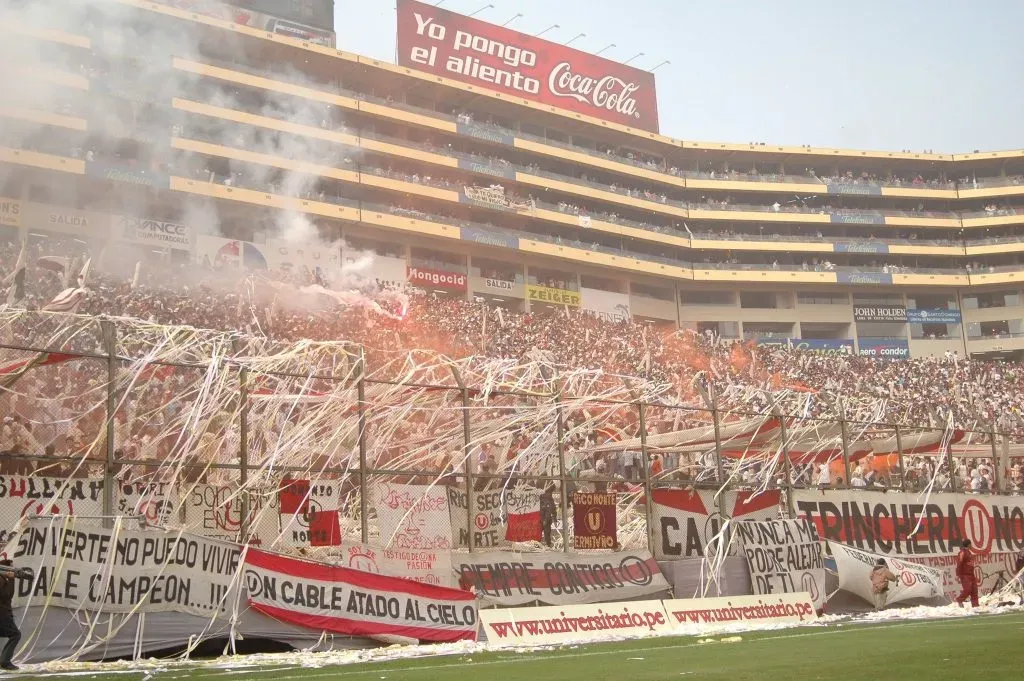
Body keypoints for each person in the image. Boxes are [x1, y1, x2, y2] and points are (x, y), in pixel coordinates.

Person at [0, 559, 30, 670]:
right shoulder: (2, 579)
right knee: (15, 635)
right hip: (2, 614)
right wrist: (11, 579)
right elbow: (7, 595)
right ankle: (5, 661)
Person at [956, 540, 979, 608]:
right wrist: (958, 574)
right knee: (967, 589)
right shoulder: (962, 552)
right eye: (970, 544)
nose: (971, 546)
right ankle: (959, 600)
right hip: (964, 574)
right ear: (969, 545)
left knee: (974, 590)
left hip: (971, 574)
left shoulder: (969, 553)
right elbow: (959, 563)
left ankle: (975, 605)